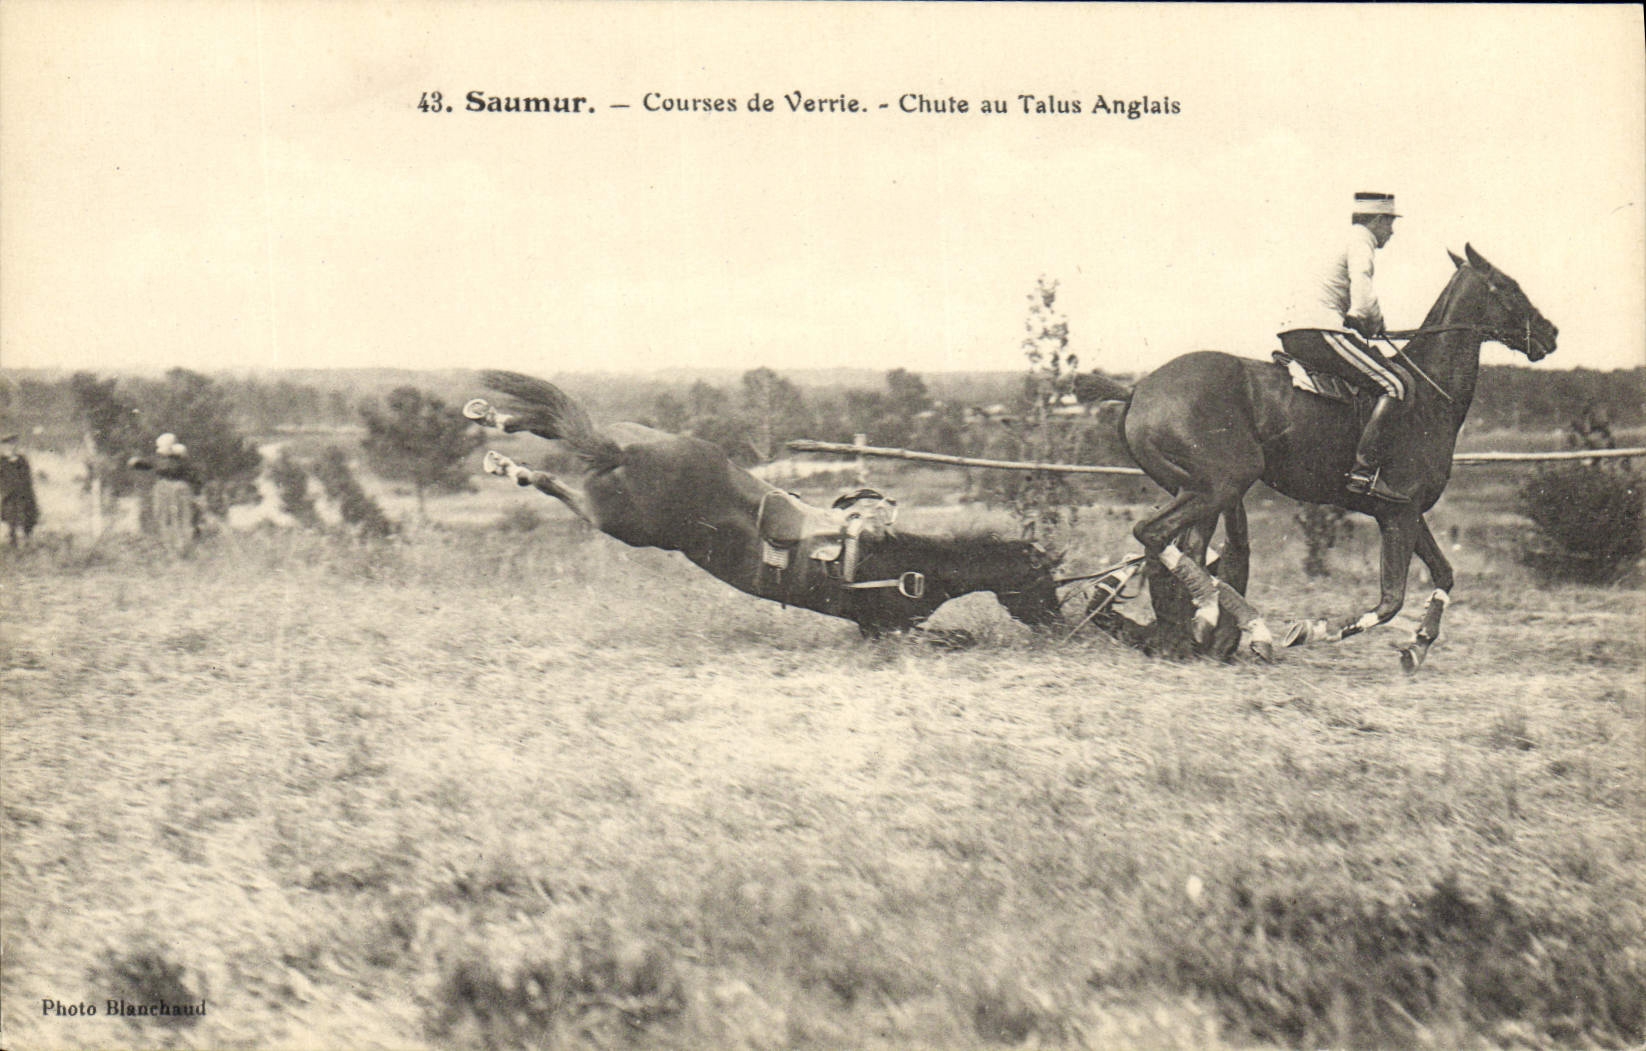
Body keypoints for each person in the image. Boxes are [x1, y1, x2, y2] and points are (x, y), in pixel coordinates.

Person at [1279, 191, 1415, 502]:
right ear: (1378, 220)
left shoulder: (1338, 239)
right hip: (1319, 329)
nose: (1391, 232)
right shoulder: (1361, 240)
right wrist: (1371, 319)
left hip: (1296, 329)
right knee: (1395, 385)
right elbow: (1362, 294)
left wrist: (1362, 320)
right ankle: (1364, 474)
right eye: (1390, 223)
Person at [1, 432, 41, 545]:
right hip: (9, 497)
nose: (11, 446)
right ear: (4, 446)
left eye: (13, 443)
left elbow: (28, 479)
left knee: (27, 521)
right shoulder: (2, 461)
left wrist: (30, 494)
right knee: (11, 523)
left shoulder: (22, 460)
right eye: (8, 444)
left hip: (24, 496)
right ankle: (13, 545)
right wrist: (5, 491)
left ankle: (27, 545)